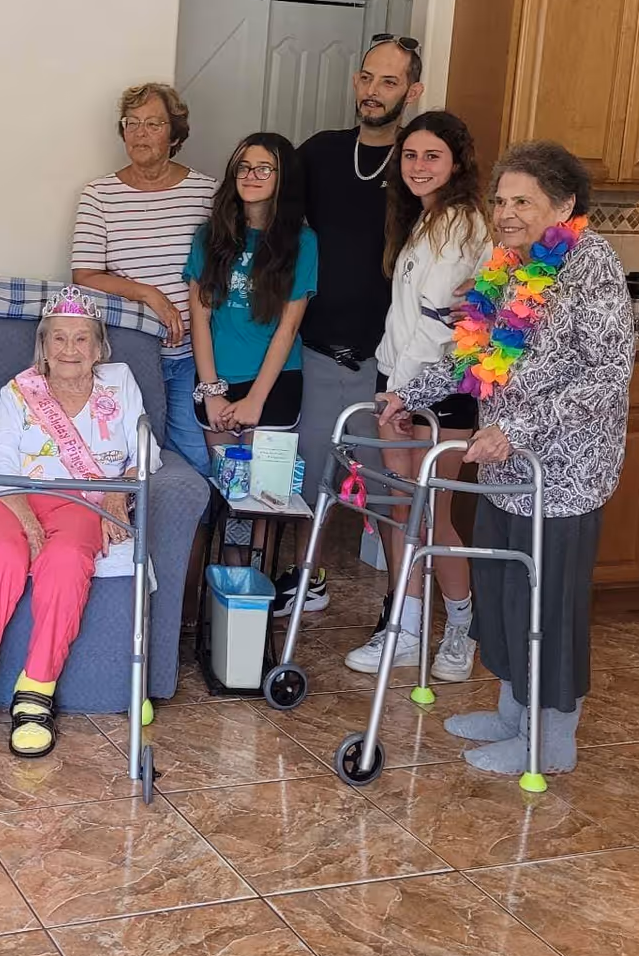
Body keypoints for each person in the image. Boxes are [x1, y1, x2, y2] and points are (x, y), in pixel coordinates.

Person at [377, 140, 633, 776]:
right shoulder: (508, 265)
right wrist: (409, 393)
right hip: (505, 467)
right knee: (505, 591)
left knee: (549, 603)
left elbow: (605, 378)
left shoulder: (592, 265)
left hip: (562, 473)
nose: (507, 211)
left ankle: (553, 739)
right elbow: (475, 358)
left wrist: (519, 430)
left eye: (524, 200)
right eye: (501, 199)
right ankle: (513, 711)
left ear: (565, 204)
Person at [0, 289, 160, 777]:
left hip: (79, 500)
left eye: (81, 339)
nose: (69, 349)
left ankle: (36, 691)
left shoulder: (119, 383)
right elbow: (6, 462)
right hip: (6, 496)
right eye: (59, 338)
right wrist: (28, 520)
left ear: (99, 349)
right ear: (44, 346)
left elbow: (148, 450)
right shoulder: (19, 390)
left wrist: (121, 489)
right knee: (4, 560)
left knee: (67, 560)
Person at [345, 111, 493, 682]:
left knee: (435, 513)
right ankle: (404, 631)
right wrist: (394, 390)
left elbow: (468, 318)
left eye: (432, 156)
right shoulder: (420, 222)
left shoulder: (471, 226)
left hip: (444, 391)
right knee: (403, 512)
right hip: (395, 386)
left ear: (456, 163)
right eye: (410, 156)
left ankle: (460, 629)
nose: (418, 166)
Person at [292, 35, 423, 612]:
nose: (373, 91)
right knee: (307, 476)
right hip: (316, 348)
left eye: (389, 82)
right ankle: (308, 578)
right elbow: (281, 237)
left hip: (388, 363)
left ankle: (401, 607)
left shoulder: (419, 169)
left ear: (412, 92)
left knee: (393, 491)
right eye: (367, 78)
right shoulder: (319, 153)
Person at [185, 134, 318, 569]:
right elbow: (199, 318)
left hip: (274, 386)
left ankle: (250, 588)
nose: (251, 176)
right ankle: (224, 598)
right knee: (227, 494)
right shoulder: (210, 236)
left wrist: (257, 398)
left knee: (263, 497)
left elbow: (289, 326)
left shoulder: (302, 241)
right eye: (243, 167)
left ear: (283, 179)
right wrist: (212, 391)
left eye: (264, 168)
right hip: (218, 381)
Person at [71, 83, 218, 467]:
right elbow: (84, 275)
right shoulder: (99, 195)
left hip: (192, 355)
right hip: (128, 354)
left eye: (153, 123)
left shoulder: (207, 193)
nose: (139, 133)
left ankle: (197, 529)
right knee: (126, 453)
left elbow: (223, 268)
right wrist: (148, 294)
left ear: (175, 134)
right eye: (131, 123)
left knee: (197, 457)